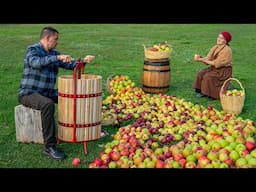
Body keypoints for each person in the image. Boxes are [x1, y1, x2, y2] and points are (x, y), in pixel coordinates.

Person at [18, 26, 95, 160]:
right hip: (28, 94)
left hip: (47, 92)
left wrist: (83, 61)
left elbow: (72, 65)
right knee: (47, 105)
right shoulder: (32, 50)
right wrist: (57, 57)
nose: (57, 42)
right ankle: (49, 147)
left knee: (72, 97)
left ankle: (78, 129)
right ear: (47, 38)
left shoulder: (53, 53)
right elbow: (36, 63)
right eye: (56, 39)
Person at [193, 31, 232, 100]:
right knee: (201, 73)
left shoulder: (227, 50)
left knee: (209, 77)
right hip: (214, 68)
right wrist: (200, 58)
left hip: (223, 71)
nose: (219, 39)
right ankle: (201, 91)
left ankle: (212, 94)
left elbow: (217, 63)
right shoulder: (215, 47)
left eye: (222, 38)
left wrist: (203, 60)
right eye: (218, 37)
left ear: (225, 41)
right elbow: (208, 59)